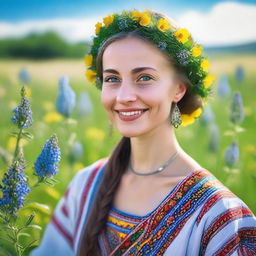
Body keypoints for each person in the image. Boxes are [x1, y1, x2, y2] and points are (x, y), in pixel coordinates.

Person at [30, 9, 256, 256]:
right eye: (112, 79)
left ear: (178, 89)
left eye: (145, 77)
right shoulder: (85, 185)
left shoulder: (220, 215)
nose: (124, 96)